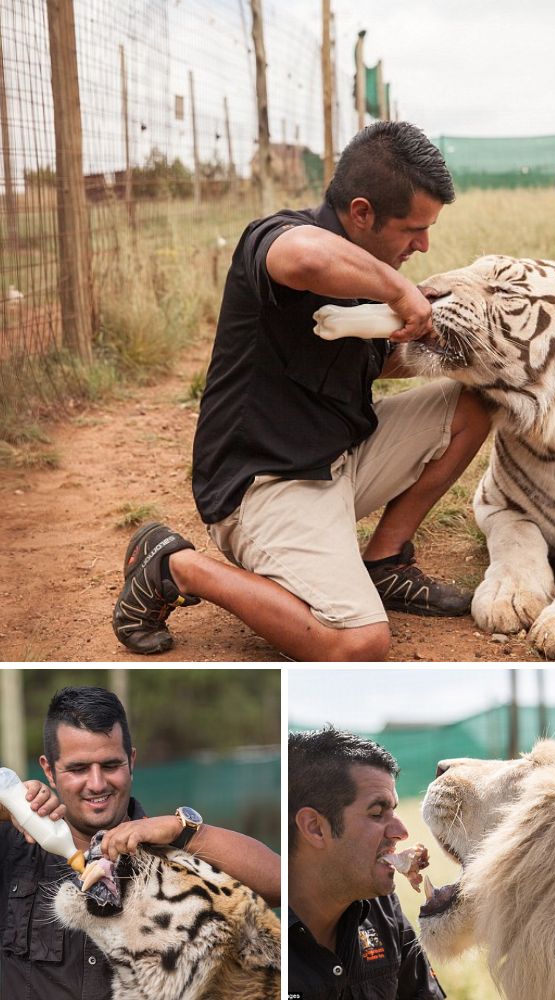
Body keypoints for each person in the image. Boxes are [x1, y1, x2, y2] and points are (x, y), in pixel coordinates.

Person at [112, 121, 491, 661]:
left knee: (472, 403)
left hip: (341, 460)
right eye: (413, 229)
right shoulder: (277, 238)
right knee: (359, 644)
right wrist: (400, 291)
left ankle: (385, 563)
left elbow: (373, 360)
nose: (423, 246)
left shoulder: (370, 270)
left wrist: (455, 344)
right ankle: (175, 565)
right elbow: (308, 259)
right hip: (267, 486)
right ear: (362, 213)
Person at [0, 686, 280, 999]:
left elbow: (280, 884)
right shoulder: (13, 844)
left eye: (110, 765)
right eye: (78, 768)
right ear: (49, 771)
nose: (96, 783)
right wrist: (0, 802)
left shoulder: (173, 853)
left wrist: (185, 830)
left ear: (131, 761)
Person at [288, 726, 445, 999]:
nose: (402, 832)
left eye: (393, 810)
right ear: (315, 828)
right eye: (376, 813)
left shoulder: (383, 909)